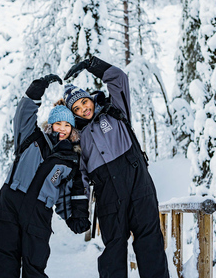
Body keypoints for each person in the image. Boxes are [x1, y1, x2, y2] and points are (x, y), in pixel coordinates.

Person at [63, 57, 169, 278]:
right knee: (114, 249)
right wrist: (80, 211)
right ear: (72, 114)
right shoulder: (78, 138)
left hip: (137, 182)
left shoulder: (114, 110)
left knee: (150, 241)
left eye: (84, 102)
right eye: (77, 108)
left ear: (90, 98)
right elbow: (79, 177)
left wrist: (92, 65)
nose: (84, 109)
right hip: (108, 194)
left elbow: (119, 78)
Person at [0, 74, 90, 278]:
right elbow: (23, 114)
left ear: (71, 128)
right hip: (11, 201)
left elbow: (74, 190)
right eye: (58, 123)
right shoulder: (32, 137)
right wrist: (37, 89)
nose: (62, 129)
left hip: (39, 212)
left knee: (34, 265)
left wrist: (77, 216)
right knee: (4, 259)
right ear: (51, 124)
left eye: (67, 125)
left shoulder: (71, 160)